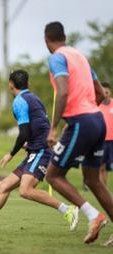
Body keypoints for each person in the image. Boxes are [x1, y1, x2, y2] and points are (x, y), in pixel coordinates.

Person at [0, 70, 79, 233]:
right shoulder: (35, 98)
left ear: (10, 85)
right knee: (4, 186)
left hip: (41, 151)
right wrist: (30, 143)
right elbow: (41, 124)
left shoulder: (19, 101)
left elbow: (23, 132)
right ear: (28, 84)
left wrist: (11, 153)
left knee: (25, 190)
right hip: (36, 150)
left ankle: (68, 210)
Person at [44, 21, 113, 245]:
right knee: (93, 180)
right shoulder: (80, 57)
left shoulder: (56, 57)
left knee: (53, 175)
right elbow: (101, 93)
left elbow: (62, 91)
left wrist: (55, 126)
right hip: (97, 120)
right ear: (64, 36)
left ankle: (94, 216)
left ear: (47, 40)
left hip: (82, 122)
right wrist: (88, 113)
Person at [99, 82, 113, 185]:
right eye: (103, 92)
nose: (105, 94)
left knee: (109, 167)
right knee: (101, 166)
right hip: (101, 140)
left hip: (112, 141)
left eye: (107, 92)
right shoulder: (97, 105)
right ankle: (101, 188)